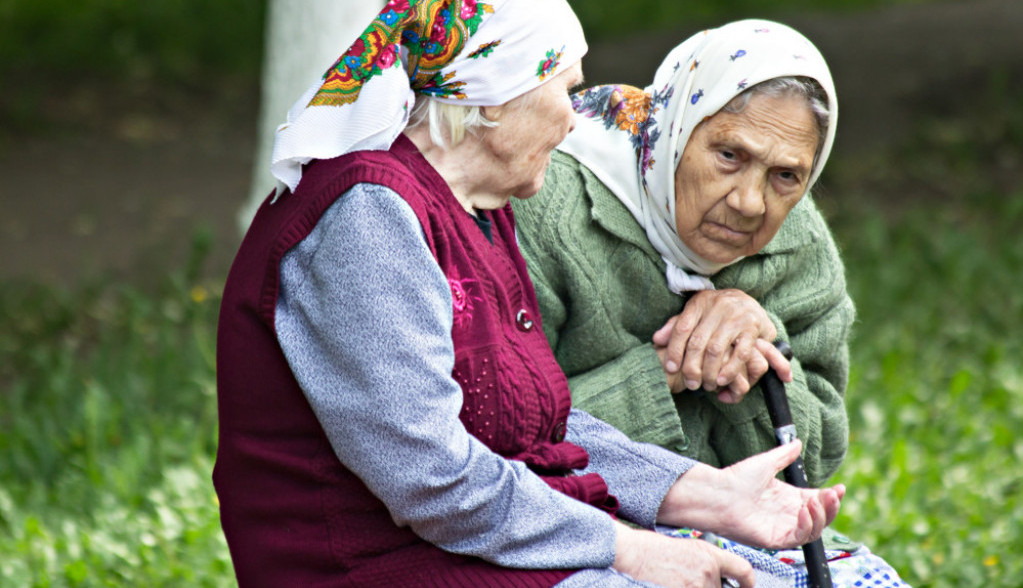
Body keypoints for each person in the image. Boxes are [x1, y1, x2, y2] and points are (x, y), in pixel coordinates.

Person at [214, 3, 849, 587]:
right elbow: (433, 481)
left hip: (470, 549)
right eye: (567, 90)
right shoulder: (365, 217)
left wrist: (695, 492)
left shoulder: (477, 211)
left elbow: (528, 424)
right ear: (496, 97)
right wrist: (626, 548)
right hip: (372, 566)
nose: (578, 117)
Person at [512, 19, 856, 488]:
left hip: (744, 531)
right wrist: (666, 370)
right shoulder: (546, 206)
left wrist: (757, 354)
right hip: (572, 528)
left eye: (786, 176)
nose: (750, 202)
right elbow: (501, 449)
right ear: (675, 129)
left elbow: (815, 464)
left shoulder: (798, 240)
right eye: (730, 156)